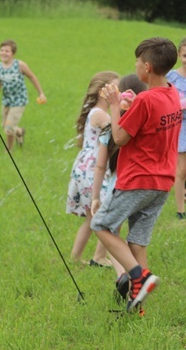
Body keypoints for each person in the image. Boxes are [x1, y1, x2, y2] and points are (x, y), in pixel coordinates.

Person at [91, 37, 181, 314]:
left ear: (147, 67)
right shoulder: (172, 94)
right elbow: (147, 124)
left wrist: (116, 104)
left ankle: (138, 276)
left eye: (137, 61)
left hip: (137, 180)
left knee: (102, 226)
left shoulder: (145, 100)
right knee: (137, 242)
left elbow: (119, 138)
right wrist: (128, 106)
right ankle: (137, 305)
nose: (135, 65)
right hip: (162, 182)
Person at [90, 74, 148, 302]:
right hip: (142, 188)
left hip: (117, 190)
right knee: (138, 240)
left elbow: (100, 165)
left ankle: (126, 274)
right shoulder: (142, 126)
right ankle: (139, 292)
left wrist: (95, 197)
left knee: (111, 232)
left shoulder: (110, 131)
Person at [67, 71, 119, 267]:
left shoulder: (98, 112)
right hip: (92, 169)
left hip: (89, 167)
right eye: (114, 87)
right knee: (104, 214)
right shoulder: (99, 114)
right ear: (101, 91)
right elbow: (117, 132)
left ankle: (83, 256)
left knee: (93, 216)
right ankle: (97, 257)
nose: (118, 91)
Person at [0, 39, 46, 150]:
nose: (3, 53)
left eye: (7, 51)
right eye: (2, 50)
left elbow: (32, 77)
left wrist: (41, 93)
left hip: (19, 100)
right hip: (7, 100)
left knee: (8, 128)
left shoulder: (19, 65)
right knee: (5, 125)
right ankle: (19, 131)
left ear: (13, 54)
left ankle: (9, 149)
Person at [166, 37, 186, 219]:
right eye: (185, 55)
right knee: (181, 169)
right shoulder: (171, 77)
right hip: (179, 126)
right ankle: (181, 210)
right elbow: (164, 99)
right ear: (180, 55)